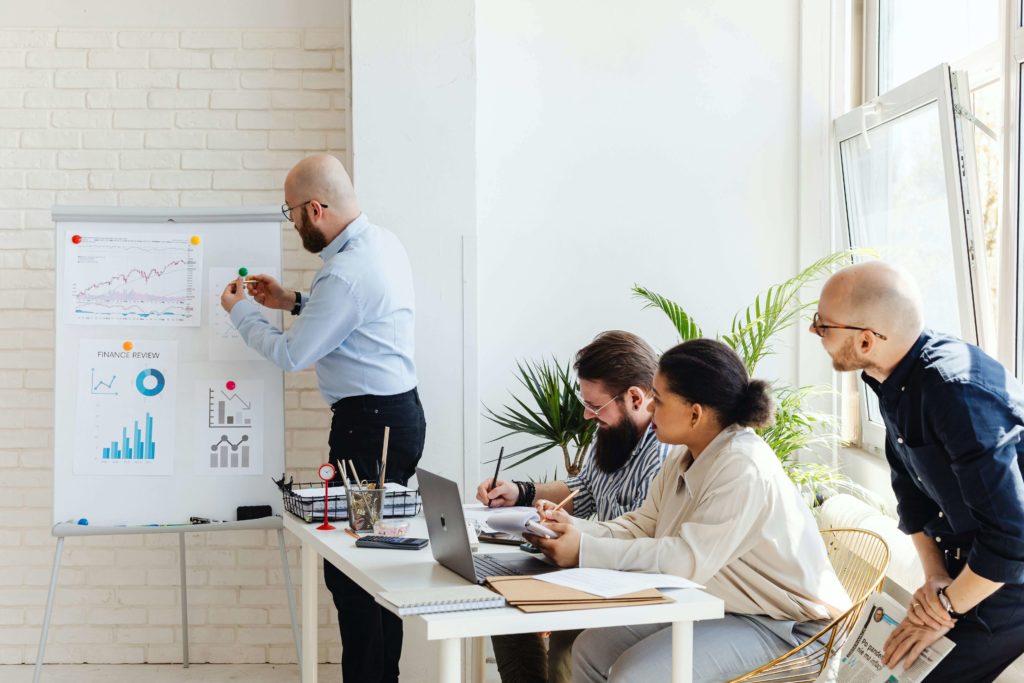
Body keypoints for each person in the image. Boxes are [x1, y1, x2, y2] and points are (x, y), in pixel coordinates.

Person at [527, 339, 850, 683]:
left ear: (695, 413)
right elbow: (643, 525)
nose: (650, 407)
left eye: (660, 400)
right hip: (728, 607)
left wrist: (584, 549)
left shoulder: (743, 465)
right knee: (590, 649)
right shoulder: (685, 456)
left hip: (792, 629)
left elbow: (685, 561)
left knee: (633, 676)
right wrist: (572, 529)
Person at [220, 154, 426, 683]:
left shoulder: (345, 272)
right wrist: (294, 300)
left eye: (292, 214)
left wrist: (242, 313)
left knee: (354, 573)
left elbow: (292, 355)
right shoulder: (382, 243)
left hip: (369, 429)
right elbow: (354, 315)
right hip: (392, 418)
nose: (293, 225)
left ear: (316, 208)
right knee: (375, 564)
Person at [811, 260, 1024, 682]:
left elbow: (1011, 538)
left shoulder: (953, 392)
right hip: (959, 570)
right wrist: (935, 578)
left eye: (823, 325)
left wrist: (943, 608)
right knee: (868, 668)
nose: (814, 332)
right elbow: (911, 495)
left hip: (1006, 584)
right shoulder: (891, 378)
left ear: (867, 340)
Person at [477, 330, 669, 683]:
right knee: (503, 604)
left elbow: (647, 539)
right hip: (593, 568)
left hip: (630, 583)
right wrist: (520, 491)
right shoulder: (611, 432)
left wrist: (575, 538)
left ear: (635, 397)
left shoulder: (662, 454)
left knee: (567, 641)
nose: (586, 415)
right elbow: (584, 491)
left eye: (595, 406)